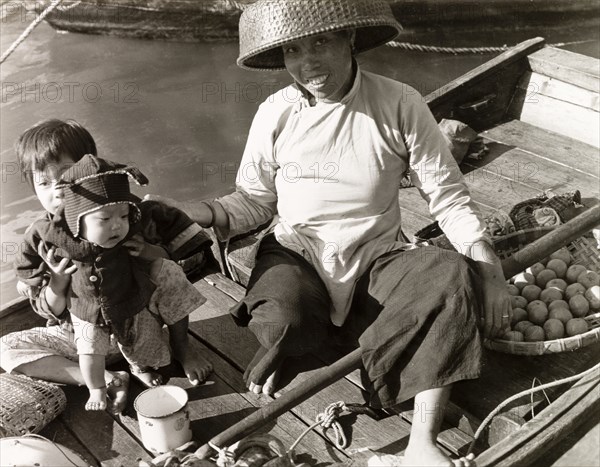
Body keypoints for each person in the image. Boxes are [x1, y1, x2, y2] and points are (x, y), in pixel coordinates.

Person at [148, 1, 511, 465]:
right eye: (293, 50)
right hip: (297, 252)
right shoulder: (275, 113)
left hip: (376, 257)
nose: (308, 62)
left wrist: (491, 272)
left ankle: (422, 442)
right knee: (282, 320)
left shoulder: (400, 103)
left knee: (445, 274)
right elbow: (252, 204)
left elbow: (449, 199)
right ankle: (328, 338)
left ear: (350, 39)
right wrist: (188, 211)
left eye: (322, 42)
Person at [2, 119, 211, 413]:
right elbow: (48, 309)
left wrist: (151, 251)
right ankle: (106, 379)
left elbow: (184, 247)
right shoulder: (42, 237)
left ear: (92, 169)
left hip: (138, 324)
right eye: (44, 183)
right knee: (5, 348)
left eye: (65, 178)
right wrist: (58, 282)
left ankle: (182, 348)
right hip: (83, 334)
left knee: (168, 271)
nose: (57, 192)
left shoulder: (125, 211)